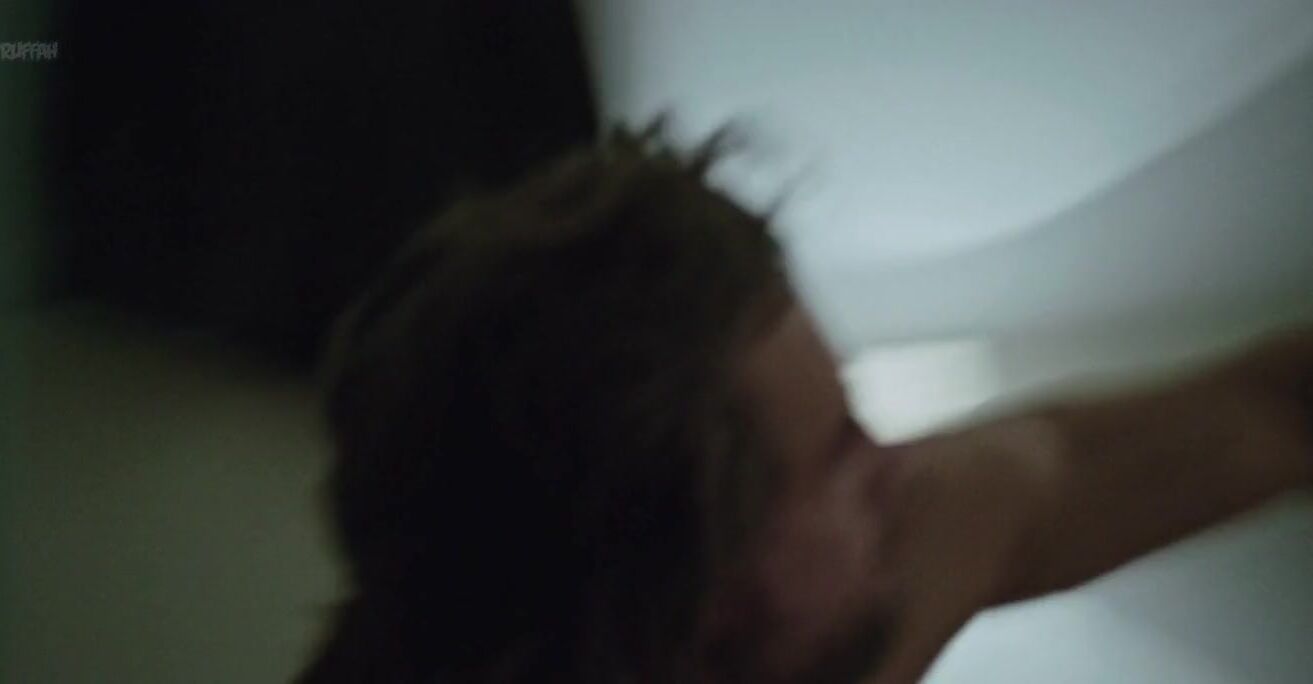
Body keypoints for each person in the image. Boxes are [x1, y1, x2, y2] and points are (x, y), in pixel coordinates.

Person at [298, 122, 1312, 683]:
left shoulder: (854, 586)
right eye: (836, 456)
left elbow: (1074, 462)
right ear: (693, 618)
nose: (893, 460)